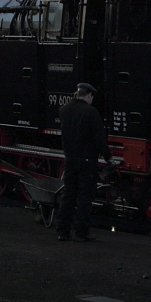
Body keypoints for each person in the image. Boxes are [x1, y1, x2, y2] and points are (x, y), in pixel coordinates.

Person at [56, 82, 113, 242]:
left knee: (68, 194)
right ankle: (81, 232)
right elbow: (99, 139)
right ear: (89, 95)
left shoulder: (63, 110)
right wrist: (109, 157)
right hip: (87, 161)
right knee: (84, 197)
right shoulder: (91, 112)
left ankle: (63, 232)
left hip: (70, 159)